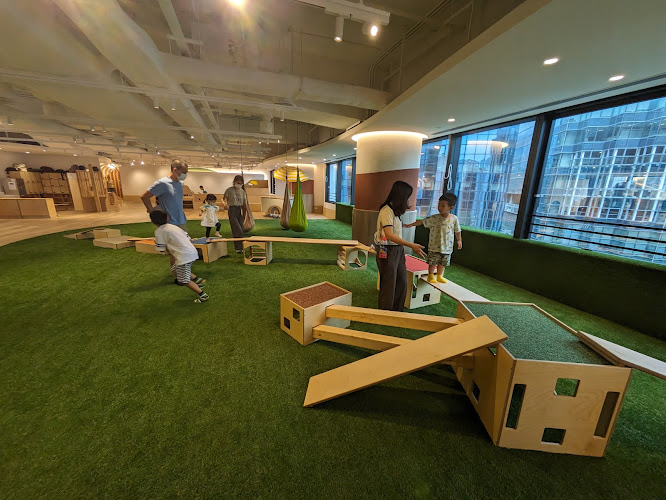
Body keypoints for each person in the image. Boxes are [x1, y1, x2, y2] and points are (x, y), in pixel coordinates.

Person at [374, 181, 426, 311]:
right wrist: (411, 245)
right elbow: (389, 235)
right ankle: (385, 312)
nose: (408, 200)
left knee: (402, 282)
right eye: (407, 197)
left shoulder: (394, 212)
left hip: (397, 249)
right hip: (387, 249)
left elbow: (393, 232)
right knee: (389, 284)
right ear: (401, 196)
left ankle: (397, 310)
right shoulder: (386, 211)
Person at [151, 210, 209, 303]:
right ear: (167, 218)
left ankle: (203, 295)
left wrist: (157, 242)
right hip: (191, 252)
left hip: (184, 256)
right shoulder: (173, 227)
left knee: (184, 280)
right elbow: (188, 238)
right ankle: (198, 281)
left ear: (153, 222)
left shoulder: (159, 232)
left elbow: (161, 249)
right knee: (175, 269)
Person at [405, 193, 462, 284]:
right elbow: (422, 221)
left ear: (451, 207)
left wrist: (459, 240)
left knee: (443, 262)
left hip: (447, 247)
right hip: (434, 246)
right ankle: (430, 275)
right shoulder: (434, 218)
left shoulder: (454, 219)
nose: (440, 207)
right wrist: (411, 224)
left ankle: (439, 276)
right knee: (432, 262)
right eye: (439, 205)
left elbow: (457, 230)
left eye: (443, 206)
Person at [140, 159, 189, 232]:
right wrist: (152, 212)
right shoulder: (162, 183)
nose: (185, 174)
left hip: (181, 221)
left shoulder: (180, 183)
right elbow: (145, 197)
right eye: (184, 172)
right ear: (175, 170)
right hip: (168, 223)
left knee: (184, 239)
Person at [223, 175, 246, 253]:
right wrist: (225, 204)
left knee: (241, 229)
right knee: (236, 228)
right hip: (232, 209)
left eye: (241, 183)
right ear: (234, 182)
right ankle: (238, 248)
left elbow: (244, 203)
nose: (239, 185)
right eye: (238, 183)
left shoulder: (242, 191)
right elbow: (223, 199)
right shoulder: (229, 190)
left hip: (239, 210)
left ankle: (241, 248)